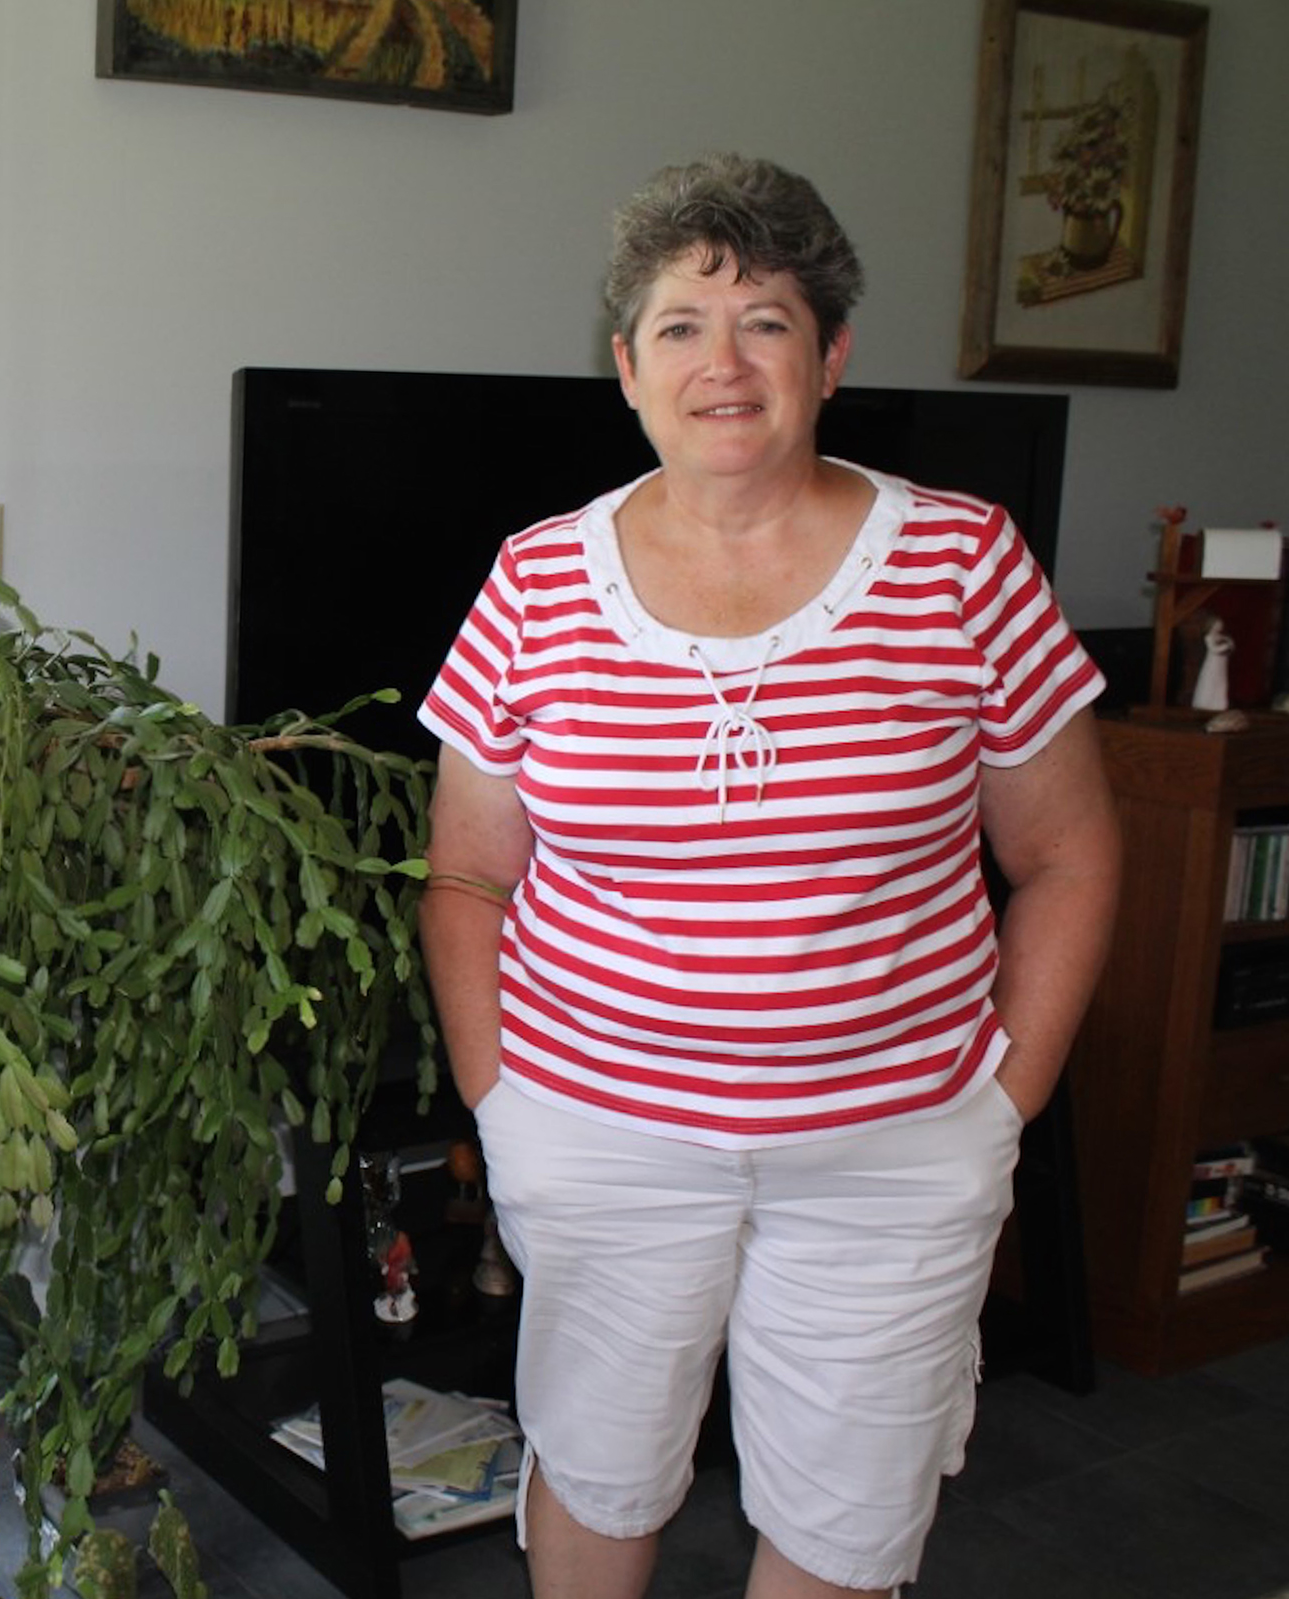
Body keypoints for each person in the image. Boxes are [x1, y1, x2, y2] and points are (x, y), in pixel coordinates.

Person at [416, 153, 1121, 1599]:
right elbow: (469, 876)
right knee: (599, 1467)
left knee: (852, 1511)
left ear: (832, 354)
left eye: (768, 322)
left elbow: (1065, 853)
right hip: (601, 1134)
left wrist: (1005, 1101)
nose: (722, 363)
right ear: (625, 366)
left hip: (893, 1154)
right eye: (681, 324)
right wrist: (505, 1101)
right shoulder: (537, 579)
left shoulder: (963, 564)